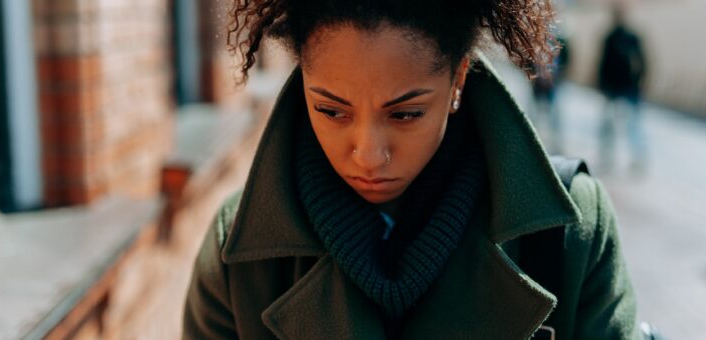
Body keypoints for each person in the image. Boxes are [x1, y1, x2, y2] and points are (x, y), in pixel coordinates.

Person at [183, 1, 640, 339]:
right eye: (331, 110)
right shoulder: (236, 253)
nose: (367, 155)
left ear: (458, 78)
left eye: (404, 114)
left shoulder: (571, 233)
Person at [597, 4, 648, 172]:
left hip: (629, 89)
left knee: (633, 126)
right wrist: (603, 85)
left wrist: (640, 82)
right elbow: (603, 63)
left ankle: (638, 159)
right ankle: (607, 156)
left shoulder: (632, 38)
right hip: (613, 89)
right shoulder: (610, 38)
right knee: (607, 125)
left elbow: (643, 62)